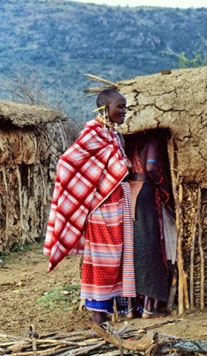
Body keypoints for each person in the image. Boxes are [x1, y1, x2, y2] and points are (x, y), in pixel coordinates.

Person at [44, 89, 135, 325]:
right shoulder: (93, 134)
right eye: (120, 106)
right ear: (104, 108)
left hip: (117, 205)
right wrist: (89, 197)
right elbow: (67, 162)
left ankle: (105, 316)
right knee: (101, 261)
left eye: (125, 107)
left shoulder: (113, 135)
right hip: (102, 210)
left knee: (116, 259)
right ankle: (97, 317)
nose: (124, 111)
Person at [125, 135, 171, 318]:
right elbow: (151, 166)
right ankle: (148, 308)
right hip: (145, 193)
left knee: (131, 248)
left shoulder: (126, 141)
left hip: (128, 191)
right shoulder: (150, 141)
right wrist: (162, 183)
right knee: (150, 247)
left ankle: (129, 308)